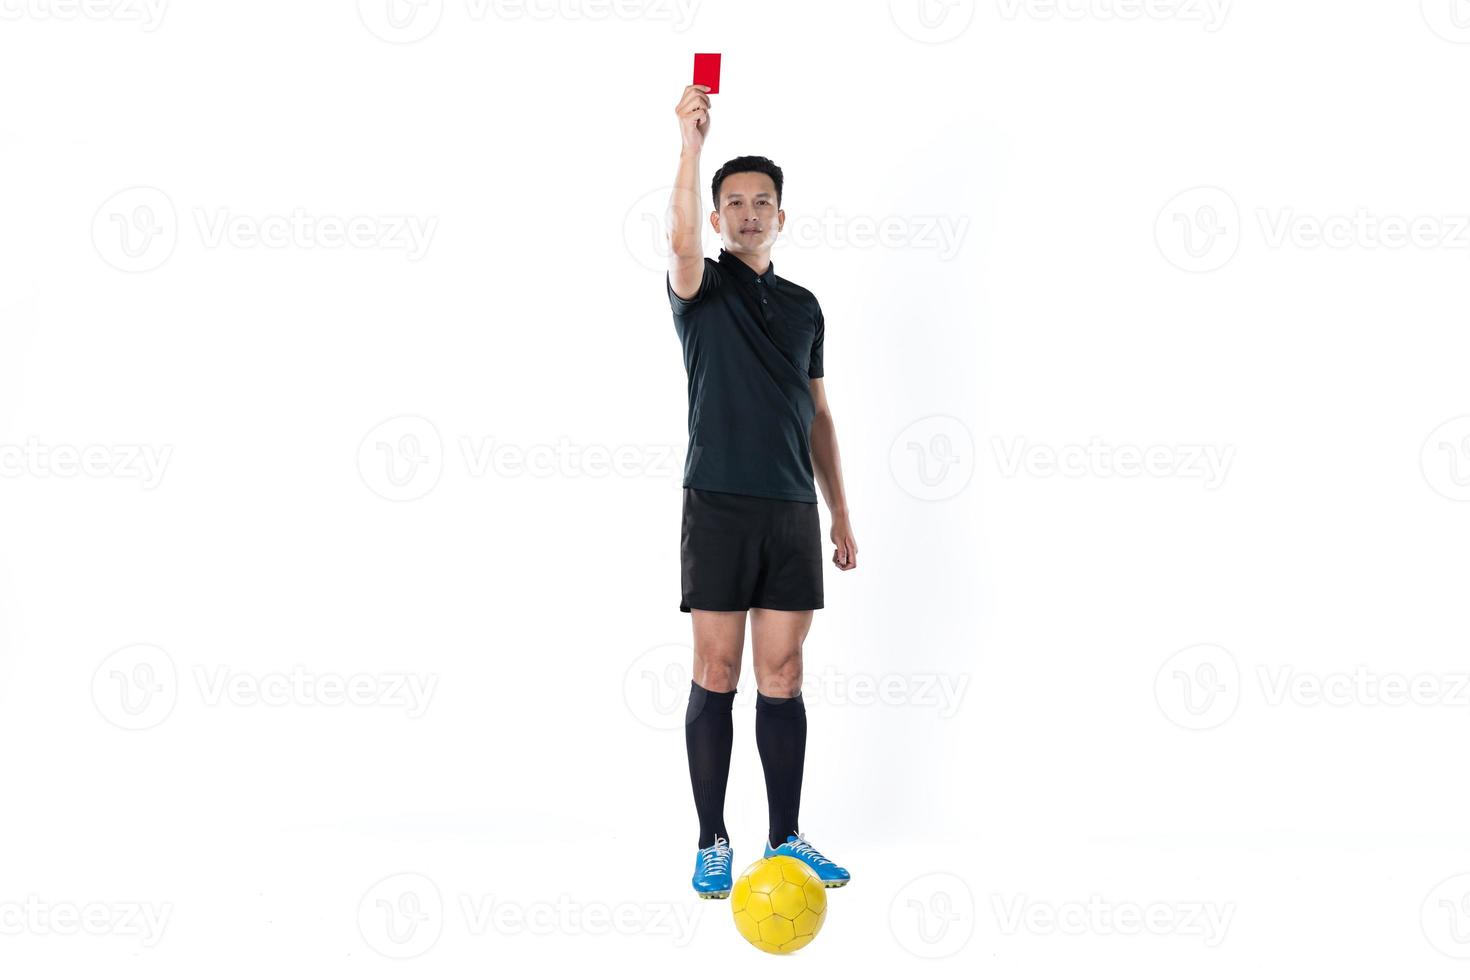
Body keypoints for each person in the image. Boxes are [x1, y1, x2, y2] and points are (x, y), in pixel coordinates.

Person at [666, 82, 858, 900]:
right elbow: (675, 239)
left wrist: (840, 510)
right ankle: (713, 840)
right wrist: (689, 143)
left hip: (789, 513)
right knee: (717, 671)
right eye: (734, 203)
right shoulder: (699, 289)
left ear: (782, 216)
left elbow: (818, 414)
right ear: (716, 219)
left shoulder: (806, 306)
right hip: (718, 504)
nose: (749, 212)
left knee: (784, 677)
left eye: (763, 202)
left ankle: (786, 840)